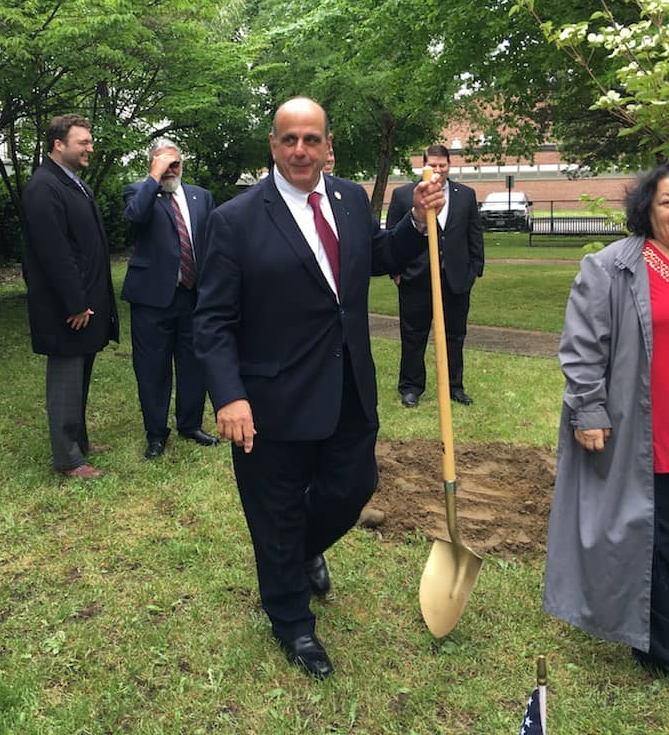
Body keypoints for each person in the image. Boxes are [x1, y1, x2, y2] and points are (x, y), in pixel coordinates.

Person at [193, 97, 444, 680]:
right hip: (270, 399)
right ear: (274, 147)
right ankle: (292, 622)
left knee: (352, 487)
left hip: (348, 385)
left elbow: (375, 258)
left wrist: (414, 224)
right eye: (289, 140)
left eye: (311, 139)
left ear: (327, 145)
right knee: (274, 513)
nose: (301, 150)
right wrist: (229, 396)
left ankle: (301, 553)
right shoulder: (234, 220)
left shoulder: (350, 200)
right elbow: (211, 321)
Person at [544, 165, 669, 673]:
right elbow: (581, 347)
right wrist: (589, 409)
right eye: (668, 201)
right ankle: (655, 646)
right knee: (648, 534)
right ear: (648, 208)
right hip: (640, 423)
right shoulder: (612, 267)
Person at [22, 114, 119, 479]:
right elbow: (54, 253)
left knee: (80, 375)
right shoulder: (43, 187)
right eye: (84, 142)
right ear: (58, 144)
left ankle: (80, 439)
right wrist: (75, 303)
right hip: (67, 309)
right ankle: (68, 459)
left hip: (86, 304)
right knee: (65, 378)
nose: (90, 148)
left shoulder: (72, 183)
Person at [121, 139, 219, 459]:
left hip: (193, 296)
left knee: (194, 364)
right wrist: (154, 177)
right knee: (152, 368)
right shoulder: (139, 192)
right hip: (152, 299)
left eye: (175, 163)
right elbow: (134, 219)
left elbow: (213, 240)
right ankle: (156, 433)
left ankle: (190, 424)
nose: (171, 170)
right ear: (152, 165)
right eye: (164, 164)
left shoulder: (200, 197)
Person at [386, 144, 484, 407]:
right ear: (424, 165)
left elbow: (474, 233)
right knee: (413, 335)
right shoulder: (404, 195)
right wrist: (396, 273)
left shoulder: (465, 195)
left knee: (455, 335)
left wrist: (475, 268)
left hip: (455, 278)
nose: (438, 171)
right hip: (415, 279)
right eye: (433, 165)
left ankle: (454, 386)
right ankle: (411, 387)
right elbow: (392, 236)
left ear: (449, 165)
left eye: (443, 165)